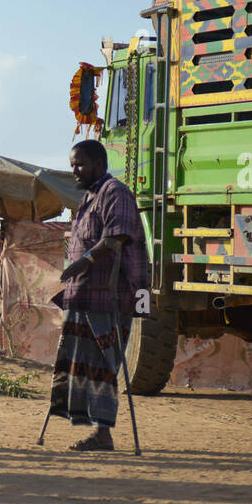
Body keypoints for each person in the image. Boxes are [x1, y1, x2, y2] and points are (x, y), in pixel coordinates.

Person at [49, 139, 151, 451]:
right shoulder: (90, 196)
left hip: (108, 295)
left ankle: (103, 434)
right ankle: (96, 430)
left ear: (99, 164)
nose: (74, 170)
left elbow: (116, 238)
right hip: (82, 296)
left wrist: (85, 260)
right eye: (72, 165)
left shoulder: (114, 192)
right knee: (81, 364)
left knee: (104, 365)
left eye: (79, 164)